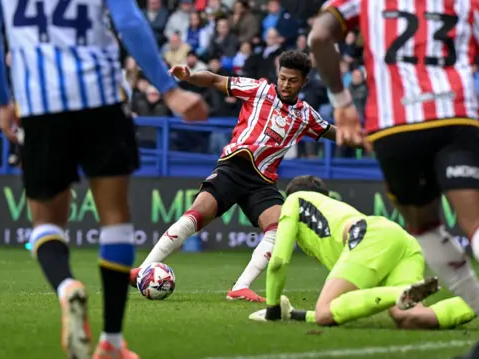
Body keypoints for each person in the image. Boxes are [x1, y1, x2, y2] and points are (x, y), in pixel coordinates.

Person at [0, 0, 208, 358]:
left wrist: (4, 101)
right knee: (115, 219)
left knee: (46, 223)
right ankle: (112, 341)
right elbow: (129, 22)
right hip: (101, 100)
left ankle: (67, 286)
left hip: (40, 105)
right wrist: (169, 89)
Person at [308, 0, 479, 353]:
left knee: (426, 227)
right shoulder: (468, 4)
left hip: (395, 127)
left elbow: (319, 37)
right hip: (456, 120)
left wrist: (342, 103)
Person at [131, 50, 339, 302]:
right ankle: (143, 270)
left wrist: (370, 140)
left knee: (280, 228)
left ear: (304, 82)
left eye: (292, 80)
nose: (285, 84)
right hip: (233, 167)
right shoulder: (259, 89)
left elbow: (334, 133)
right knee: (195, 216)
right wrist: (189, 76)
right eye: (282, 78)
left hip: (262, 182)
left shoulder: (306, 115)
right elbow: (214, 80)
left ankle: (240, 287)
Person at [249, 176, 479, 332]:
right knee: (410, 318)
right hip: (400, 241)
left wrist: (273, 309)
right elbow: (353, 305)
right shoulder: (329, 225)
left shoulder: (295, 201)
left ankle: (402, 292)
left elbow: (278, 261)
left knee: (327, 311)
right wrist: (297, 315)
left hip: (370, 238)